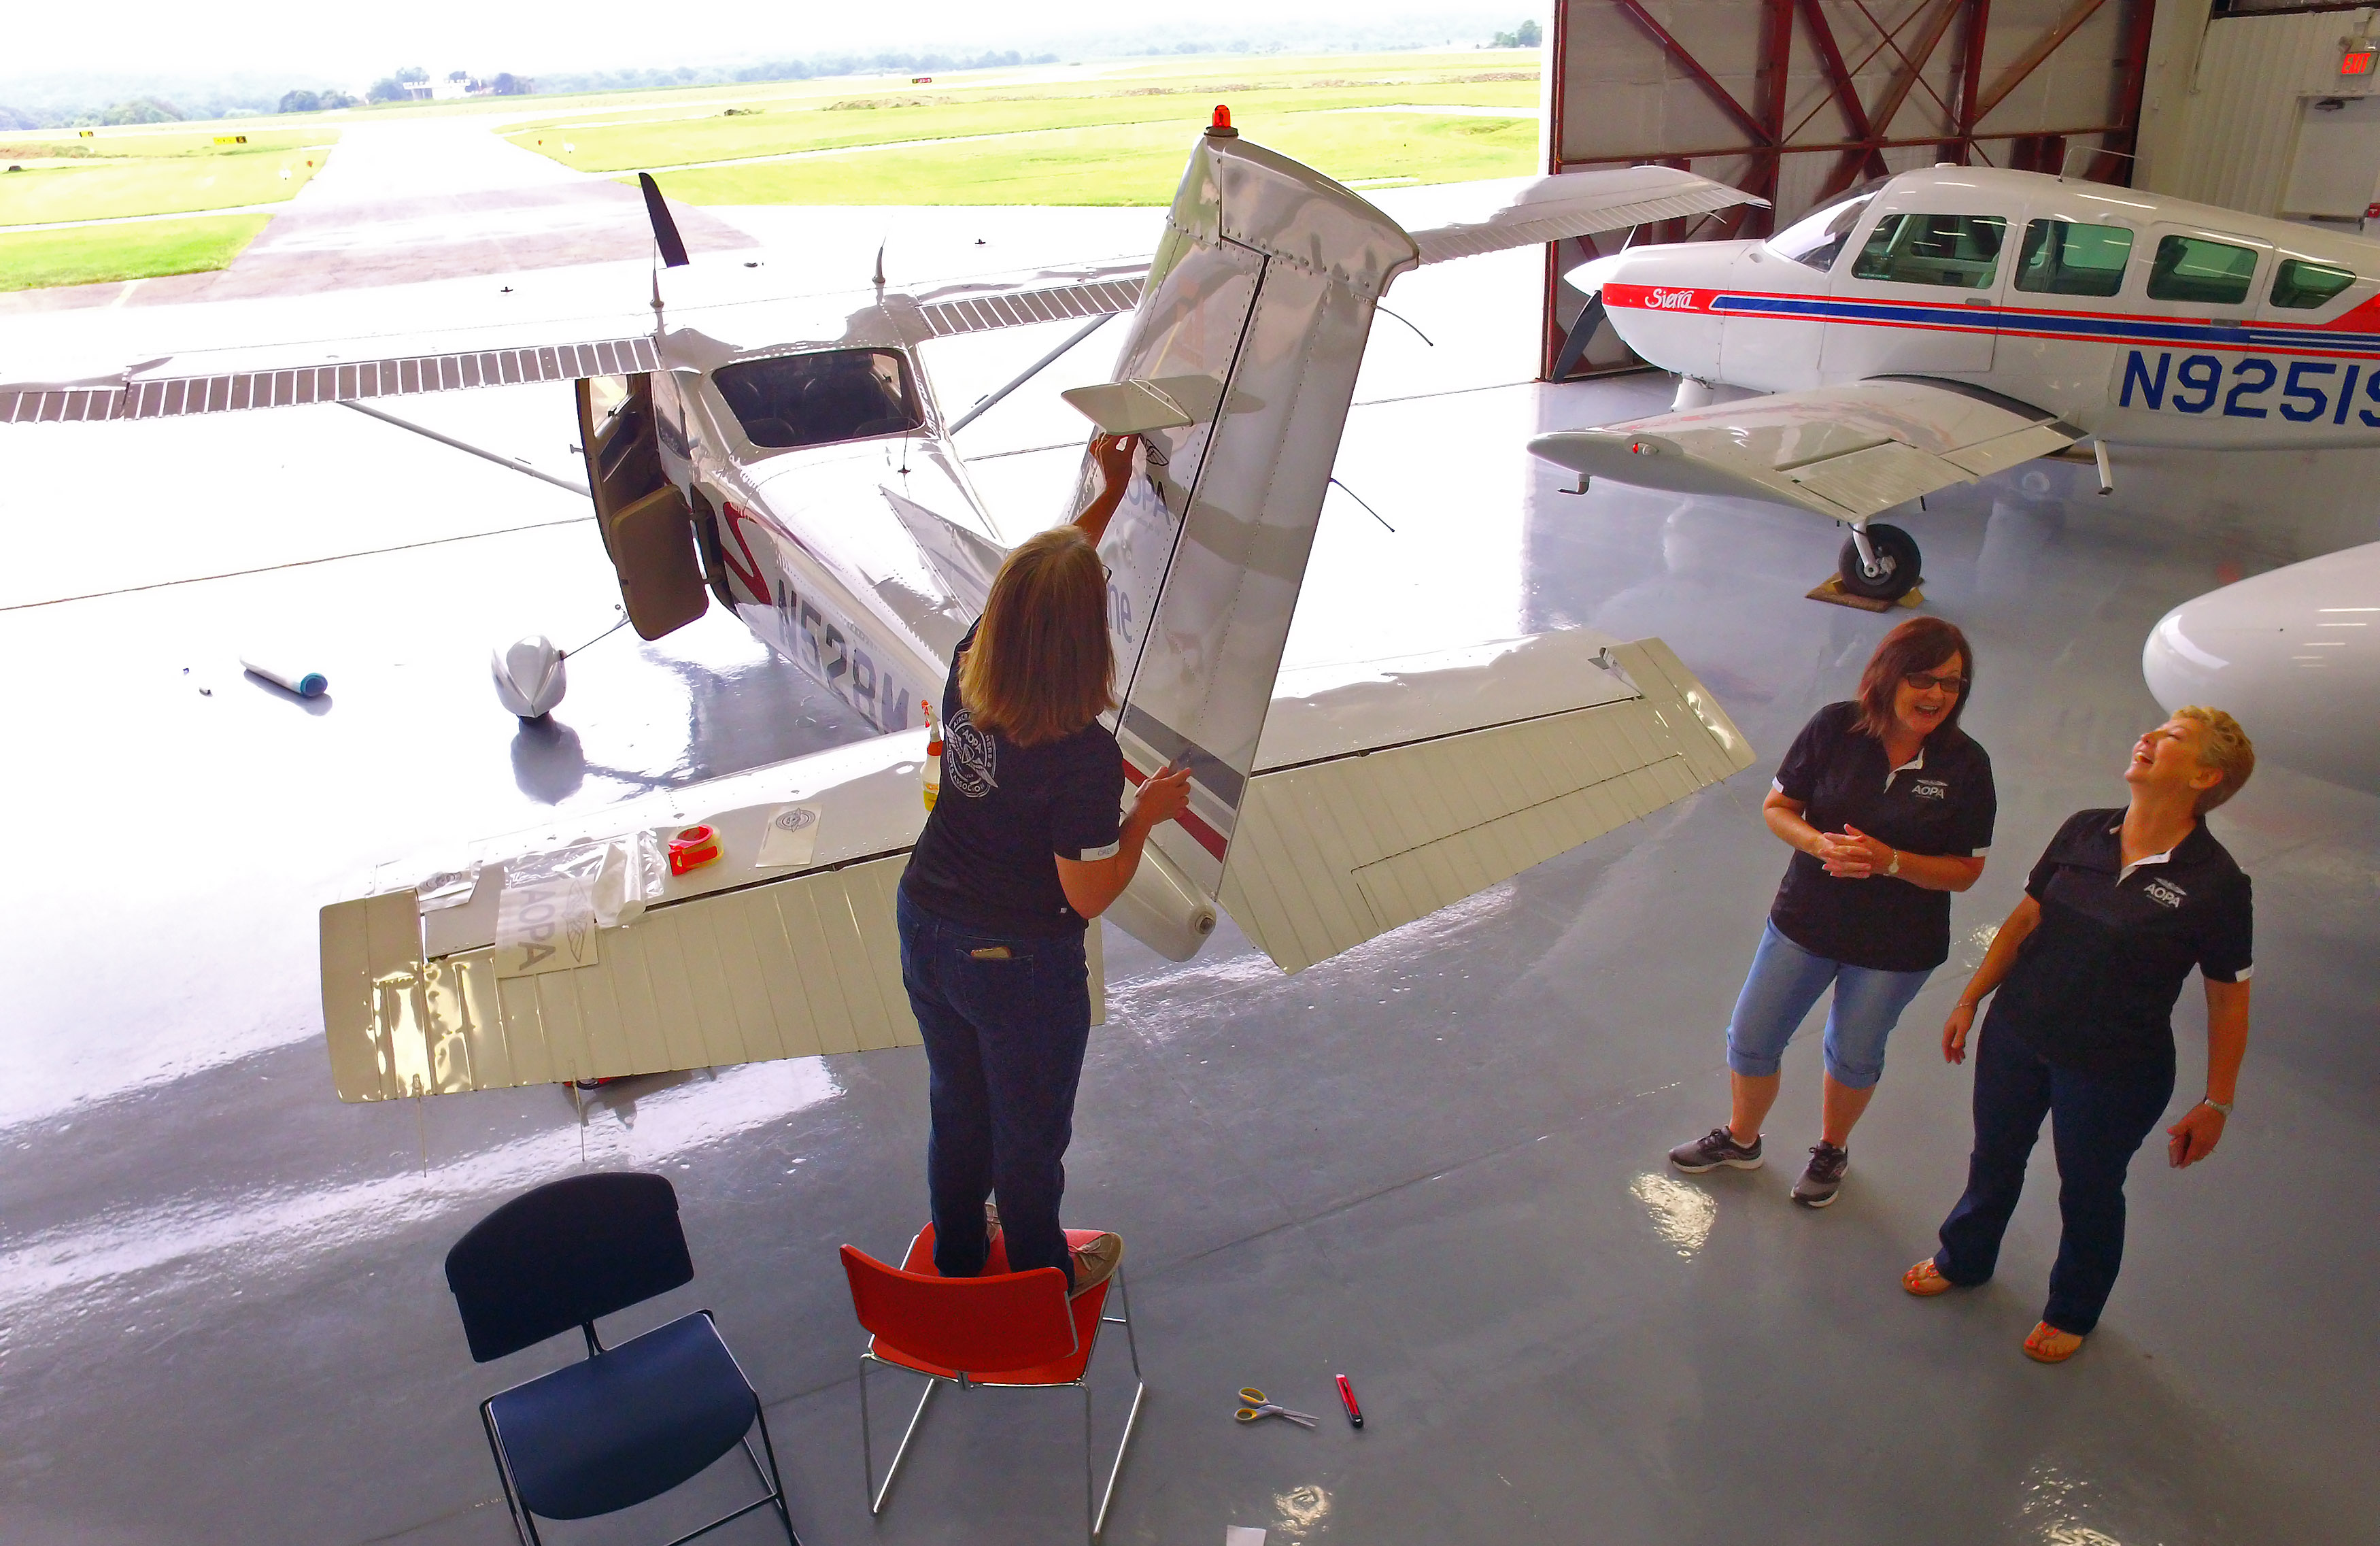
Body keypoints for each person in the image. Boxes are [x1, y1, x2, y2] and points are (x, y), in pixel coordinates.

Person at [897, 433, 1191, 1297]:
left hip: (926, 925)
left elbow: (1036, 592)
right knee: (1028, 1140)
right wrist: (1144, 818)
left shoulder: (969, 666)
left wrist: (1100, 501)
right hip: (1018, 962)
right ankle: (1038, 1283)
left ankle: (957, 1258)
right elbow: (1086, 891)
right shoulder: (1082, 756)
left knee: (958, 1108)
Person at [1905, 708, 2255, 1362]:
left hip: (2114, 1067)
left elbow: (2228, 997)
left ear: (2206, 776)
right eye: (2152, 727)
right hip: (2018, 1032)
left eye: (2173, 738)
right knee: (1994, 1157)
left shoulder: (2217, 884)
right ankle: (1966, 1257)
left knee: (2088, 1190)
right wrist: (1972, 996)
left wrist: (2218, 1100)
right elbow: (2026, 917)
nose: (2146, 736)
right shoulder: (2086, 830)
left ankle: (2074, 1308)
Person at [1670, 616, 1995, 1206]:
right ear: (1888, 675)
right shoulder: (1835, 728)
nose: (1936, 695)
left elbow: (1967, 870)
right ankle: (1743, 1140)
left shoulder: (1966, 764)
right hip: (1806, 921)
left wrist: (1889, 861)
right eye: (1922, 678)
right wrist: (1820, 843)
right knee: (1751, 1036)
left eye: (1952, 683)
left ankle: (1831, 1149)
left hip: (1898, 946)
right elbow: (1778, 807)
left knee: (1853, 1052)